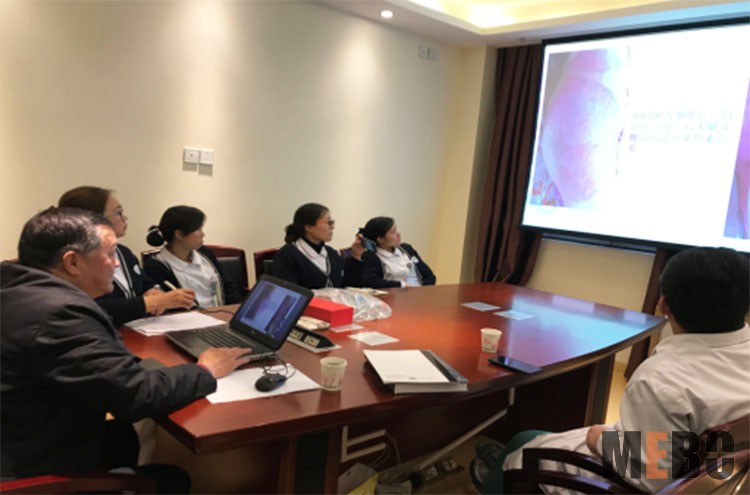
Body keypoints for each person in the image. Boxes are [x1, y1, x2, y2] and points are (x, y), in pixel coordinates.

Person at [0, 207, 251, 490]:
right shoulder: (59, 314)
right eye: (110, 254)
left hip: (30, 435)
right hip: (35, 468)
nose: (116, 263)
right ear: (72, 262)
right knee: (173, 478)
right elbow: (137, 395)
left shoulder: (17, 290)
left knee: (129, 437)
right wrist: (206, 369)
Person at [471, 246, 750, 494]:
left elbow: (649, 476)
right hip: (714, 472)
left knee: (521, 448)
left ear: (663, 305)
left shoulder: (661, 380)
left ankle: (500, 476)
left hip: (632, 478)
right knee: (525, 440)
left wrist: (602, 441)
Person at [58, 186, 195, 326]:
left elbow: (145, 282)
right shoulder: (78, 260)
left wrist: (154, 291)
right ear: (93, 220)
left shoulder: (123, 252)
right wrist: (149, 303)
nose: (125, 218)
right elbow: (90, 308)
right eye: (119, 213)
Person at [144, 205, 242, 307]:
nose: (203, 234)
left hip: (221, 313)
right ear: (179, 234)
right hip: (188, 317)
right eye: (198, 229)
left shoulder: (206, 253)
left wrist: (236, 310)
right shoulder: (156, 266)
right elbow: (167, 306)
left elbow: (228, 287)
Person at [271, 203, 364, 289]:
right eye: (329, 222)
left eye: (332, 222)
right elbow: (289, 293)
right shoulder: (287, 255)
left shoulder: (330, 253)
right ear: (309, 227)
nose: (332, 227)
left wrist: (356, 255)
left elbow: (348, 286)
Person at [359, 216, 435, 288]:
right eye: (393, 232)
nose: (398, 234)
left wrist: (423, 290)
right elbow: (372, 281)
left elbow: (428, 275)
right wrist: (401, 285)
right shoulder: (371, 256)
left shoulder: (407, 249)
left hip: (419, 292)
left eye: (396, 230)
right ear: (380, 239)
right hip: (395, 294)